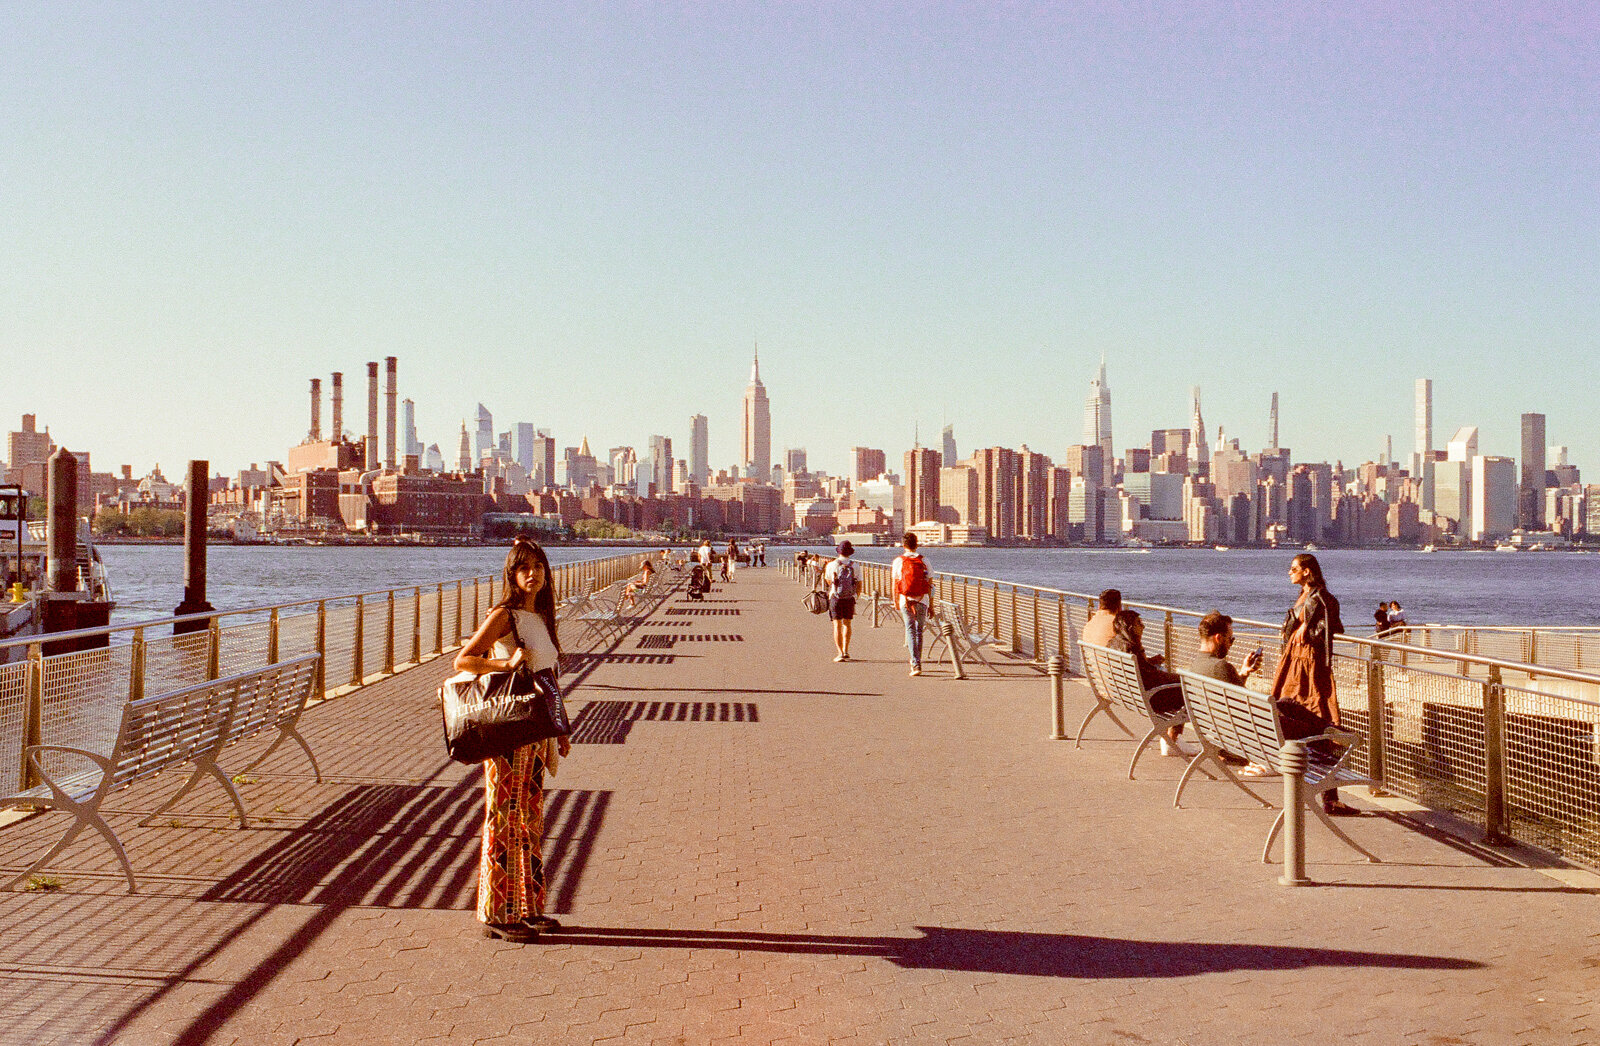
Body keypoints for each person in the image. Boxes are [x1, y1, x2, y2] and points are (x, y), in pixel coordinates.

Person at [453, 538, 572, 943]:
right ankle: (495, 911)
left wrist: (561, 728)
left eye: (537, 566)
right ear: (512, 574)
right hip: (507, 731)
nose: (532, 574)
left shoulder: (540, 616)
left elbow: (548, 677)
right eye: (524, 568)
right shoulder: (504, 615)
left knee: (530, 819)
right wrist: (504, 663)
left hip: (536, 733)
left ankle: (529, 906)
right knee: (503, 816)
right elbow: (464, 659)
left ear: (546, 572)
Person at [1271, 552, 1358, 816]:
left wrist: (1306, 629)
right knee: (1308, 723)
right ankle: (1327, 795)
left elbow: (1332, 628)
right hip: (1294, 665)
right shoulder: (1306, 596)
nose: (1289, 572)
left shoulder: (1322, 598)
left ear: (1307, 571)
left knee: (1321, 723)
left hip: (1309, 667)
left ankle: (1329, 795)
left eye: (1294, 568)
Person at [1106, 609, 1192, 757]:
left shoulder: (1113, 644)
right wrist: (1180, 678)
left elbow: (1141, 671)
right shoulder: (1131, 647)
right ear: (1130, 627)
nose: (1143, 626)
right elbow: (1153, 678)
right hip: (1151, 699)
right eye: (1139, 623)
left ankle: (1171, 739)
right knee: (1187, 688)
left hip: (1130, 695)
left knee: (1181, 683)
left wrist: (1150, 662)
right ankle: (1173, 739)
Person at [1191, 610, 1264, 769]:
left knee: (1287, 704)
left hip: (1220, 735)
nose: (1231, 644)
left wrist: (1244, 672)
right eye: (1231, 639)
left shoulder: (1195, 665)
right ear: (1218, 638)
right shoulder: (1221, 667)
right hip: (1246, 740)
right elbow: (1248, 705)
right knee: (1290, 706)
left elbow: (1232, 695)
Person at [891, 532, 933, 676]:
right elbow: (930, 584)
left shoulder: (899, 561)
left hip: (905, 600)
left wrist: (895, 600)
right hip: (922, 600)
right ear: (917, 545)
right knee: (919, 631)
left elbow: (895, 583)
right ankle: (917, 662)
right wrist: (931, 604)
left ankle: (915, 664)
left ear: (904, 545)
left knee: (910, 630)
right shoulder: (924, 560)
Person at [822, 540, 858, 662]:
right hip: (849, 598)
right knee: (847, 624)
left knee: (837, 625)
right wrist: (855, 595)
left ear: (839, 552)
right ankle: (846, 650)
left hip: (835, 597)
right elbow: (859, 583)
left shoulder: (831, 565)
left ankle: (840, 652)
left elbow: (828, 580)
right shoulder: (855, 565)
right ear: (850, 552)